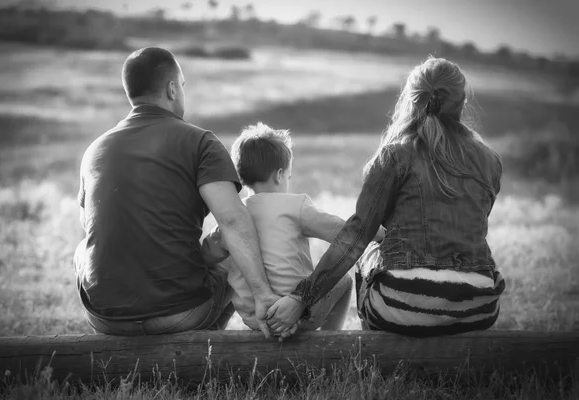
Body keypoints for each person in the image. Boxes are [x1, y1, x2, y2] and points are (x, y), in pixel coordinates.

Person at [266, 57, 506, 338]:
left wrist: (300, 299)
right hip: (479, 306)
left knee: (367, 250)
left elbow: (356, 235)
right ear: (462, 103)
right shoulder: (490, 160)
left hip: (402, 305)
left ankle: (377, 357)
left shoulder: (395, 155)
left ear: (411, 100)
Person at [73, 47, 278, 337]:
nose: (182, 92)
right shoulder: (200, 142)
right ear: (171, 89)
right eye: (182, 86)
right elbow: (233, 220)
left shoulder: (94, 150)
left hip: (104, 318)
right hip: (179, 314)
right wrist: (263, 294)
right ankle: (201, 350)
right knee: (234, 254)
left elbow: (90, 229)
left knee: (82, 250)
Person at [201, 123, 366, 332]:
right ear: (279, 175)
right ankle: (328, 340)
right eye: (288, 176)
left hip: (256, 319)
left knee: (225, 271)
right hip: (298, 313)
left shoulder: (234, 214)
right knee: (343, 281)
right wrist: (374, 232)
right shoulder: (296, 207)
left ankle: (215, 335)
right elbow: (341, 232)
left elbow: (206, 255)